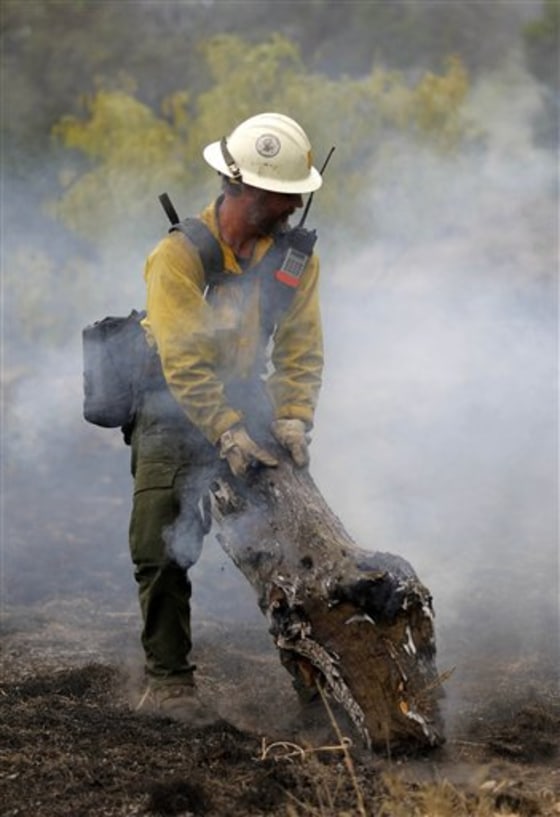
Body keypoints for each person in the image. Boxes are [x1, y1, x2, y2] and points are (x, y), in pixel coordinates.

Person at [130, 112, 324, 723]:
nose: (295, 206)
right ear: (246, 189)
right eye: (286, 195)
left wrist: (291, 418)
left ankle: (322, 685)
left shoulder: (293, 260)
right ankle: (169, 680)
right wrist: (226, 431)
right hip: (169, 405)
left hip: (245, 401)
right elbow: (184, 363)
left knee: (301, 541)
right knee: (160, 546)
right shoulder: (178, 257)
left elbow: (300, 347)